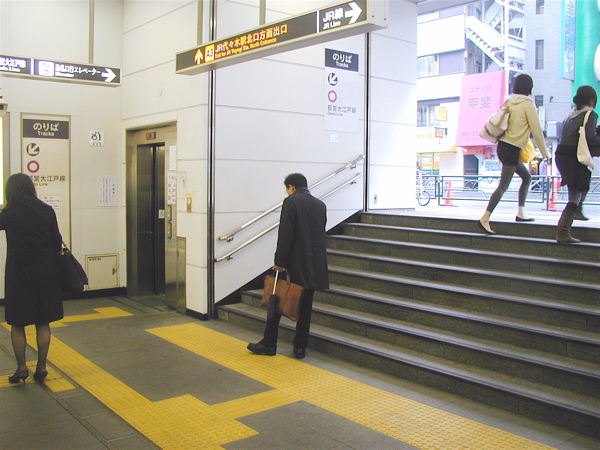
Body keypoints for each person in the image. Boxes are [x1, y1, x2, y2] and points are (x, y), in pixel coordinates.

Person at [247, 173, 329, 359]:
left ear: (291, 187)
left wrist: (279, 262)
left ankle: (269, 343)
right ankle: (300, 347)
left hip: (294, 265)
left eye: (287, 189)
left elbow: (286, 234)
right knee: (306, 307)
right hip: (314, 266)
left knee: (275, 301)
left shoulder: (291, 202)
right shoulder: (320, 205)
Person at [0, 173, 63, 383]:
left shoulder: (9, 214)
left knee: (18, 323)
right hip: (45, 272)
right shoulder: (46, 210)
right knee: (42, 321)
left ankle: (21, 369)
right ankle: (42, 367)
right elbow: (57, 241)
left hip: (19, 273)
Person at [478, 74, 550, 235]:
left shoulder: (510, 101)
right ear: (529, 87)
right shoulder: (528, 104)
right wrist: (545, 153)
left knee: (527, 177)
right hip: (511, 149)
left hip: (503, 146)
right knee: (503, 186)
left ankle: (521, 213)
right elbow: (537, 130)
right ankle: (485, 218)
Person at [554, 85, 600, 243]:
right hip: (573, 157)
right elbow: (591, 138)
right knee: (575, 195)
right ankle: (563, 231)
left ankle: (578, 211)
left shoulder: (571, 115)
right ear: (592, 100)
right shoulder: (590, 114)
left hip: (562, 155)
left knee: (583, 181)